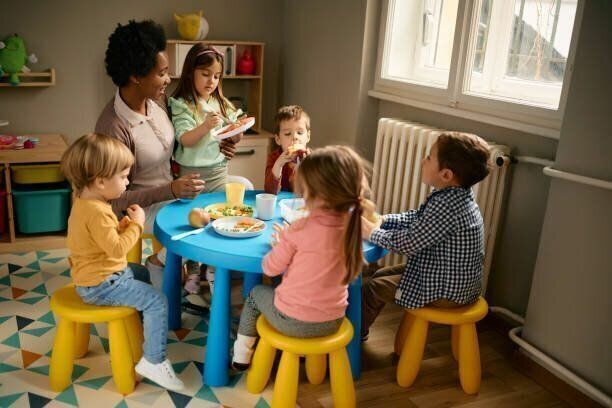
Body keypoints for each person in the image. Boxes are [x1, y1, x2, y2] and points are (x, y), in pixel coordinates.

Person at [94, 20, 240, 288]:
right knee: (206, 216)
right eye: (161, 73)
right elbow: (113, 202)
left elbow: (181, 141)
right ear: (136, 77)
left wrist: (221, 143)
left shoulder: (156, 101)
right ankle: (161, 262)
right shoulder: (113, 128)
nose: (168, 80)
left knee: (237, 194)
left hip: (175, 191)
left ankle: (203, 272)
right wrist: (170, 190)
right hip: (140, 207)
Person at [61, 133, 184, 391]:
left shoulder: (87, 202)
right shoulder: (96, 212)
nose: (127, 182)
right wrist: (137, 226)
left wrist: (119, 226)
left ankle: (140, 334)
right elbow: (117, 251)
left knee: (140, 273)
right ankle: (154, 360)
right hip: (101, 285)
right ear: (100, 181)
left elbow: (99, 241)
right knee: (157, 300)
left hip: (97, 276)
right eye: (124, 176)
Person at [232, 145, 368, 370]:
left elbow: (270, 269)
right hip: (333, 321)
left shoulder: (300, 228)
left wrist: (280, 244)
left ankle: (241, 357)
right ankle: (307, 356)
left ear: (311, 193)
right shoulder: (354, 224)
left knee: (255, 295)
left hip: (293, 322)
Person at [360, 132, 491, 340]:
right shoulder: (455, 195)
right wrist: (384, 220)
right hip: (453, 280)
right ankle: (362, 327)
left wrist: (372, 233)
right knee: (379, 275)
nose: (423, 160)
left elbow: (410, 243)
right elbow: (418, 218)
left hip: (447, 292)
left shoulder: (447, 207)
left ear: (446, 175)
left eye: (429, 157)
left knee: (373, 288)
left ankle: (357, 336)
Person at [169, 43, 245, 294]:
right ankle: (192, 269)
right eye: (205, 74)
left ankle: (212, 267)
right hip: (192, 174)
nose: (211, 81)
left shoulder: (220, 102)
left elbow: (231, 135)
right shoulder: (183, 104)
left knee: (219, 218)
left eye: (216, 76)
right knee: (194, 223)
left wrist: (237, 133)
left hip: (218, 172)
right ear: (191, 72)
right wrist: (204, 125)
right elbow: (185, 139)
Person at [264, 105, 311, 194]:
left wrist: (304, 169)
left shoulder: (311, 159)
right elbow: (270, 191)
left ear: (308, 136)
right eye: (287, 133)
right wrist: (278, 165)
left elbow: (310, 193)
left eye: (300, 133)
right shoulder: (274, 158)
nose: (295, 137)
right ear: (278, 139)